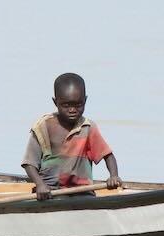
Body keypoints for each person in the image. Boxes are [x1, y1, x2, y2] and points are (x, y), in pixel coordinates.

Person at [22, 72, 122, 201]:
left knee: (86, 201)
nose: (72, 110)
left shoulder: (87, 128)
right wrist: (40, 185)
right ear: (55, 102)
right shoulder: (43, 126)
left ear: (85, 101)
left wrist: (113, 176)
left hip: (82, 193)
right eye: (66, 105)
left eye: (78, 105)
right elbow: (29, 164)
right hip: (49, 192)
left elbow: (108, 156)